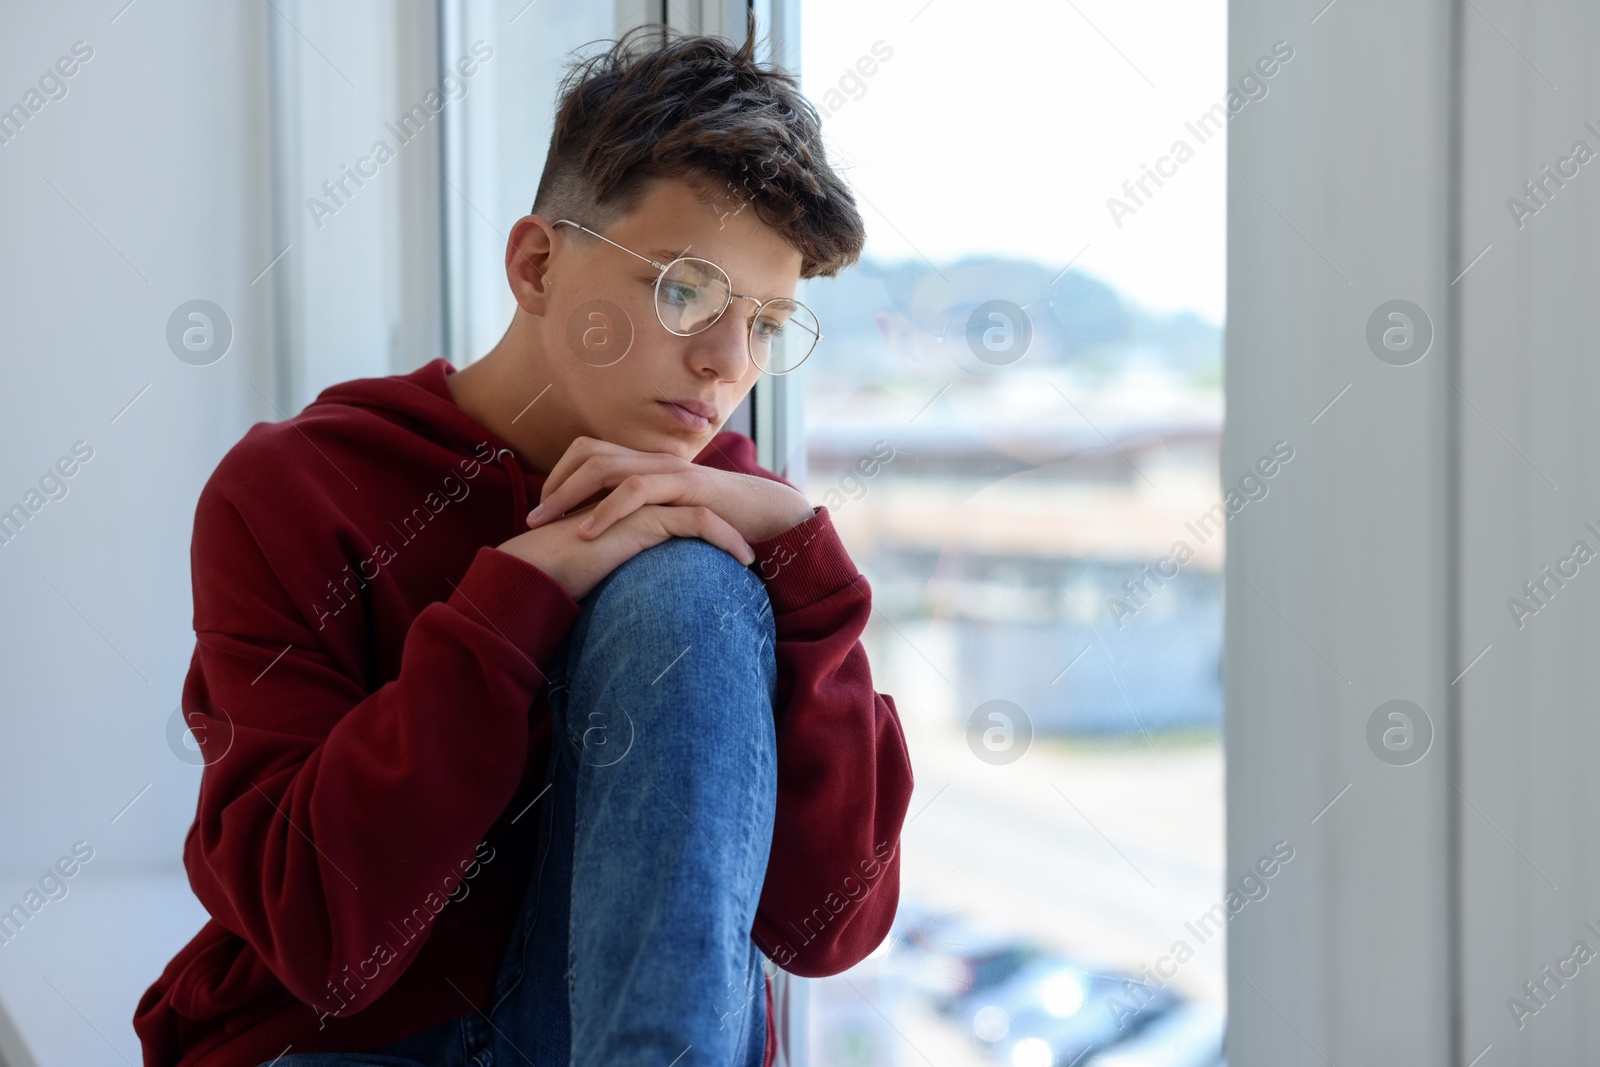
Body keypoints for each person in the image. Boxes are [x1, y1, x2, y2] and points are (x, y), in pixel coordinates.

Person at [133, 19, 914, 1067]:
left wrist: (809, 577)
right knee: (684, 577)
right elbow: (319, 935)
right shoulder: (297, 485)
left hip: (613, 1034)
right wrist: (515, 596)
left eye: (767, 322)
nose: (726, 362)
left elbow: (828, 930)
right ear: (537, 264)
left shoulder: (735, 507)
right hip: (355, 1039)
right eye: (685, 288)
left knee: (686, 583)